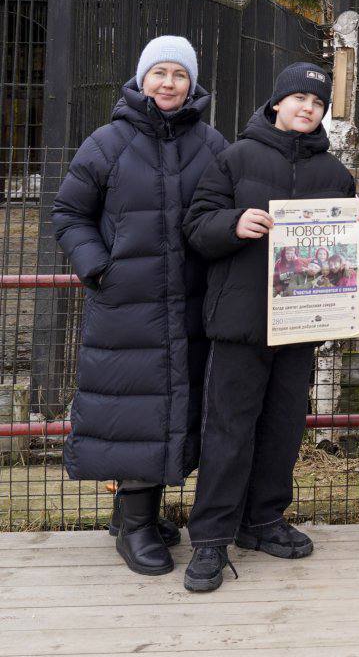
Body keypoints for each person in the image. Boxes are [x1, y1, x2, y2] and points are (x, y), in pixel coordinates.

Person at [181, 63, 359, 593]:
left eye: (317, 102)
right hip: (240, 324)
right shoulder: (234, 157)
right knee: (228, 432)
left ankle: (262, 521)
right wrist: (233, 223)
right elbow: (196, 226)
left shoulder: (335, 174)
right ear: (276, 103)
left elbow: (346, 256)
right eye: (298, 99)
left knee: (284, 429)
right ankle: (212, 539)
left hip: (300, 324)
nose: (307, 108)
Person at [51, 37, 229, 576]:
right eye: (159, 73)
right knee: (134, 408)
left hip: (191, 302)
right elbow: (68, 213)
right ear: (141, 79)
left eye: (179, 73)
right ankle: (135, 526)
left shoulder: (213, 145)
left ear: (192, 83)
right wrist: (99, 266)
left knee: (177, 405)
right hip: (126, 304)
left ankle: (136, 512)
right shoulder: (107, 143)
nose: (169, 83)